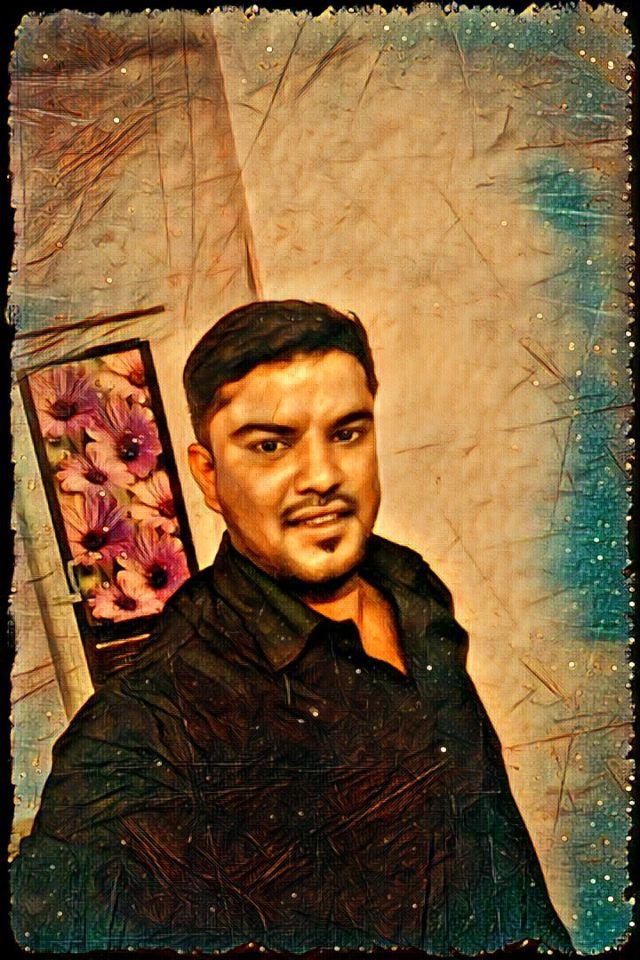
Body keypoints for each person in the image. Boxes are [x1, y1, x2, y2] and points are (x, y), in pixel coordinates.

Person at [11, 300, 572, 954]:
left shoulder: (411, 586)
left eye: (347, 433)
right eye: (271, 446)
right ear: (208, 476)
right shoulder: (157, 715)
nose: (323, 477)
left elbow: (495, 847)